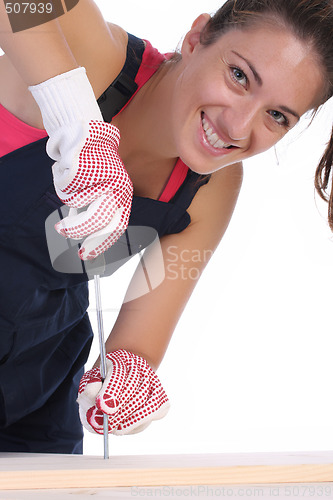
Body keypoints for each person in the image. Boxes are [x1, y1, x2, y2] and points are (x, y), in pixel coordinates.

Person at [0, 0, 332, 453]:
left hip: (31, 388)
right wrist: (74, 120)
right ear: (196, 39)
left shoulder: (209, 188)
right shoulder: (96, 59)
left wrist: (127, 379)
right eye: (239, 76)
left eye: (277, 116)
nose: (237, 125)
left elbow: (138, 339)